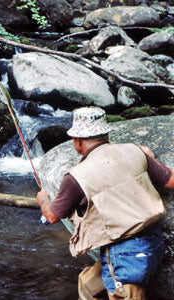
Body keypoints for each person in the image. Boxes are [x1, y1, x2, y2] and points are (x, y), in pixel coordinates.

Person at [36, 106, 174, 300]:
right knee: (88, 285)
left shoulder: (75, 177)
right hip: (152, 240)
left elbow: (52, 216)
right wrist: (150, 160)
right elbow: (170, 180)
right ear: (105, 133)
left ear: (77, 141)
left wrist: (44, 199)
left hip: (124, 252)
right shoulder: (136, 152)